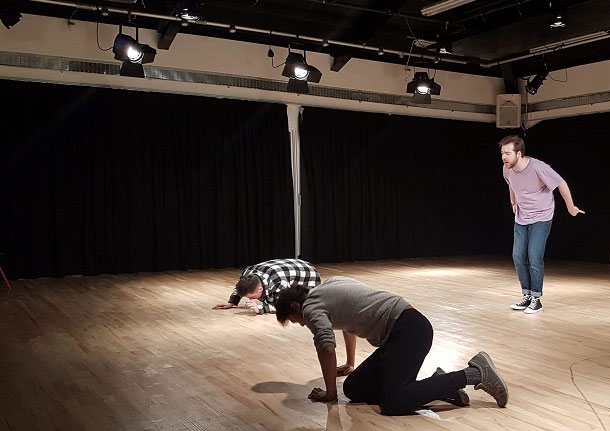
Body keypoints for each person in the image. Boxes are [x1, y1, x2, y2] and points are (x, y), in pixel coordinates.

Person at [275, 277, 509, 415]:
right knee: (354, 388)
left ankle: (474, 373)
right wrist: (350, 363)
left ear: (296, 307)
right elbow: (346, 323)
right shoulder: (327, 288)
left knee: (392, 403)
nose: (302, 324)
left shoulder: (311, 308)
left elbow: (325, 346)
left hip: (409, 332)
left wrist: (330, 394)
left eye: (297, 321)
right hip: (402, 331)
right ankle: (438, 385)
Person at [500, 135, 584, 314]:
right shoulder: (507, 169)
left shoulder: (538, 167)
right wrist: (513, 203)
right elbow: (511, 185)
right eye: (502, 153)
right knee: (518, 256)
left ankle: (536, 298)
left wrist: (570, 206)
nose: (504, 157)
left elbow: (561, 183)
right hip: (521, 217)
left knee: (534, 257)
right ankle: (527, 295)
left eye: (507, 153)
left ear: (519, 154)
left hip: (541, 217)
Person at [213, 258, 320, 315]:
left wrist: (261, 308)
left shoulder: (278, 281)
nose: (251, 299)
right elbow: (241, 286)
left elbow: (282, 305)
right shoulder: (247, 272)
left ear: (260, 288)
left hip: (308, 275)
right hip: (285, 268)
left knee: (302, 304)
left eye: (253, 297)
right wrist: (232, 302)